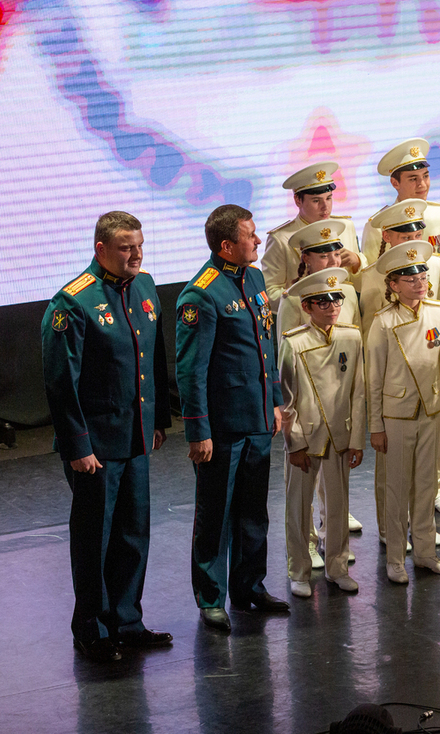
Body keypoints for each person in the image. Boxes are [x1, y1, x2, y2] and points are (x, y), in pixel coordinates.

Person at [41, 211, 172, 663]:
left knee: (133, 533)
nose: (136, 254)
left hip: (134, 436)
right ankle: (91, 629)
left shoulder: (145, 287)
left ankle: (127, 622)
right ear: (101, 249)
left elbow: (153, 357)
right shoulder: (73, 302)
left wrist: (157, 421)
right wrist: (77, 446)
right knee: (94, 539)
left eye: (140, 245)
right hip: (96, 445)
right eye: (125, 247)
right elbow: (61, 383)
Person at [177, 205, 289, 633]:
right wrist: (198, 430)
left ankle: (249, 587)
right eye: (250, 235)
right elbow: (191, 371)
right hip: (223, 427)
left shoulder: (254, 278)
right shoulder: (201, 295)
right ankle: (211, 598)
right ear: (226, 245)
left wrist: (274, 401)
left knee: (253, 512)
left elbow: (266, 346)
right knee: (216, 515)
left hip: (257, 418)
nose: (258, 241)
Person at [365, 242, 440, 584]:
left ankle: (425, 553)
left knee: (426, 486)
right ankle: (395, 557)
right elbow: (373, 378)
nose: (419, 283)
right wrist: (376, 425)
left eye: (422, 276)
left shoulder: (438, 312)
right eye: (409, 278)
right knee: (396, 488)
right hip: (397, 414)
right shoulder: (383, 322)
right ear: (393, 285)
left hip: (431, 410)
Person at [277, 219, 364, 566]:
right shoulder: (293, 300)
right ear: (306, 258)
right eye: (323, 254)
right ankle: (306, 549)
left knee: (337, 490)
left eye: (335, 252)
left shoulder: (346, 294)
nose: (332, 259)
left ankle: (334, 546)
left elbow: (352, 355)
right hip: (307, 410)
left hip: (338, 409)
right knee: (301, 491)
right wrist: (293, 433)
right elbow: (286, 367)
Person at [263, 162, 362, 309]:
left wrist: (357, 263)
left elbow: (364, 285)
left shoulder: (346, 227)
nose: (325, 206)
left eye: (329, 198)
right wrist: (310, 298)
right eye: (316, 201)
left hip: (346, 311)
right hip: (304, 317)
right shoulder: (281, 238)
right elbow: (270, 293)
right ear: (297, 200)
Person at [361, 139, 440, 278]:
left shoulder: (439, 214)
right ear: (395, 183)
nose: (422, 184)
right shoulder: (377, 226)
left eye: (425, 176)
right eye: (413, 179)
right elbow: (372, 277)